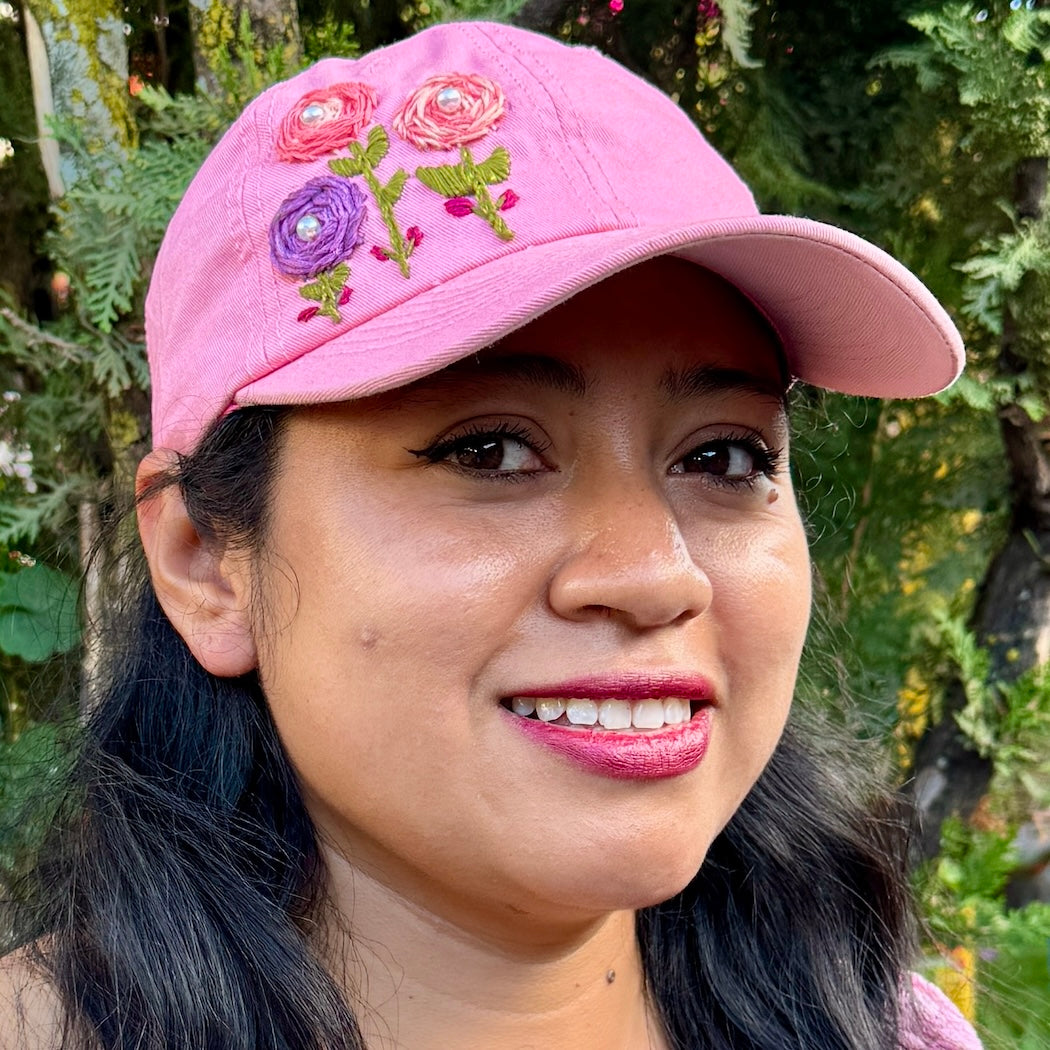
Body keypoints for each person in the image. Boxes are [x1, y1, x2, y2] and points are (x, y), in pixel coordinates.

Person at [0, 20, 983, 1050]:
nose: (655, 575)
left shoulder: (885, 1028)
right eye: (491, 451)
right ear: (205, 562)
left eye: (725, 459)